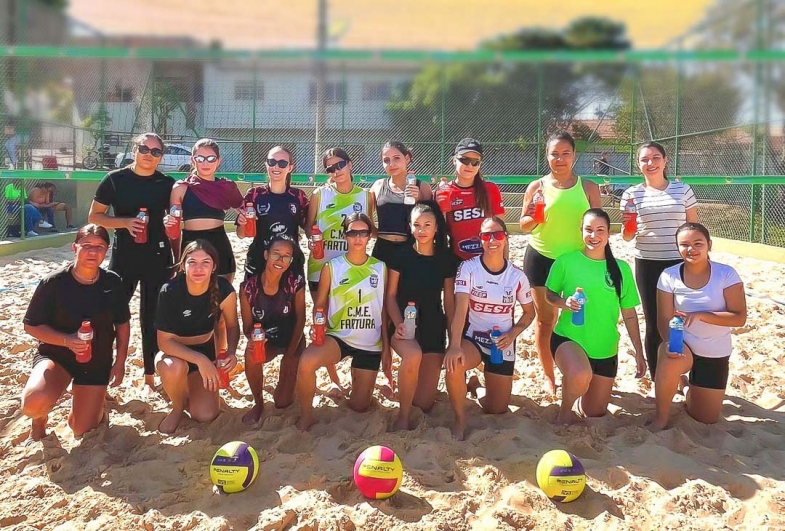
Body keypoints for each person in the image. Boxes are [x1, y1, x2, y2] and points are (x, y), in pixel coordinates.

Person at [21, 225, 130, 440]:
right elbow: (31, 325)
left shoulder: (112, 282)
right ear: (75, 247)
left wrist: (120, 361)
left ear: (106, 251)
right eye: (86, 246)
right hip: (57, 354)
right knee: (33, 403)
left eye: (99, 247)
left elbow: (123, 324)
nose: (92, 252)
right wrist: (67, 340)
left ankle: (93, 407)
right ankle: (40, 418)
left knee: (82, 429)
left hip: (96, 359)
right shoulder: (54, 282)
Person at [88, 132, 175, 394]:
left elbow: (176, 220)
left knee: (152, 318)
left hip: (158, 257)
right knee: (110, 314)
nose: (149, 155)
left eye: (155, 151)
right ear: (133, 150)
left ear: (161, 156)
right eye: (144, 149)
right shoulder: (115, 179)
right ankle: (101, 372)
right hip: (124, 256)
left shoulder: (167, 183)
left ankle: (149, 377)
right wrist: (124, 222)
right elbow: (95, 216)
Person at [519, 130, 602, 396]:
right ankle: (548, 376)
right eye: (554, 154)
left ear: (574, 155)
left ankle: (580, 372)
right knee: (545, 321)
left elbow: (599, 227)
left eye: (566, 153)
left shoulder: (588, 188)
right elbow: (524, 225)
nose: (560, 159)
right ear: (547, 156)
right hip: (541, 258)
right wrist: (535, 218)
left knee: (580, 318)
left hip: (576, 262)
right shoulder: (537, 187)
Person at [545, 209, 646, 425]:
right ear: (581, 231)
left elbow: (629, 314)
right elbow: (549, 295)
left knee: (594, 411)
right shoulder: (566, 261)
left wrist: (639, 351)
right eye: (589, 230)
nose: (594, 236)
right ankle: (565, 411)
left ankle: (581, 395)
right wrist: (565, 302)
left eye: (600, 230)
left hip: (605, 348)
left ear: (609, 234)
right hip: (569, 338)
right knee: (580, 374)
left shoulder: (621, 269)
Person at [444, 217, 536, 440]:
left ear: (506, 237)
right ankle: (460, 418)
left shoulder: (517, 276)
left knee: (496, 408)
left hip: (502, 343)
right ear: (480, 240)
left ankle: (476, 387)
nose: (492, 240)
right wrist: (454, 345)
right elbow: (460, 310)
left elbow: (529, 312)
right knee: (454, 364)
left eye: (498, 234)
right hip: (474, 338)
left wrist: (512, 333)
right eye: (486, 235)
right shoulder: (468, 268)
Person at [296, 213, 387, 431]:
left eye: (363, 233)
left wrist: (387, 348)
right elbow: (320, 304)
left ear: (369, 236)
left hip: (369, 343)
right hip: (339, 337)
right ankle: (307, 416)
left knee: (359, 407)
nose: (358, 238)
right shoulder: (332, 267)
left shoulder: (380, 267)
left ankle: (356, 377)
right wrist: (316, 324)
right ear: (345, 236)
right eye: (353, 233)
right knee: (306, 362)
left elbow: (384, 311)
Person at [651, 223, 746, 430]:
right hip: (684, 344)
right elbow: (663, 318)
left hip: (714, 351)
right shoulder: (669, 275)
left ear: (709, 245)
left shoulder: (726, 274)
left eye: (697, 243)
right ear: (677, 247)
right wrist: (669, 342)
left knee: (706, 418)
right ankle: (661, 418)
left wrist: (703, 315)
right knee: (668, 356)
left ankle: (685, 386)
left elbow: (739, 318)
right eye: (684, 244)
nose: (691, 249)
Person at [621, 141, 698, 378]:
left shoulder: (682, 190)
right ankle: (658, 377)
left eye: (655, 157)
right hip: (648, 261)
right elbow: (627, 236)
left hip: (679, 262)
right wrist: (629, 224)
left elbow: (694, 228)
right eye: (644, 159)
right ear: (638, 165)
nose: (650, 163)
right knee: (654, 320)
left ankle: (685, 373)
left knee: (684, 317)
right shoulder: (631, 195)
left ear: (665, 161)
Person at [304, 147, 374, 395]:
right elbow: (309, 226)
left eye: (340, 165)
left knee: (350, 320)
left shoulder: (366, 197)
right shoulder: (319, 195)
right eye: (330, 168)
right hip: (321, 267)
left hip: (353, 269)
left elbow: (371, 230)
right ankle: (334, 378)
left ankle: (359, 371)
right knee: (324, 320)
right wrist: (312, 240)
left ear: (350, 163)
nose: (336, 171)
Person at [154, 240, 240, 434]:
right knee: (174, 367)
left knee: (205, 414)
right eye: (192, 262)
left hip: (205, 349)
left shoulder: (224, 289)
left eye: (205, 262)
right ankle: (177, 406)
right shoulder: (170, 291)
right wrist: (201, 360)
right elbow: (164, 342)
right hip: (174, 352)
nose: (198, 268)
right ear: (183, 265)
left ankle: (190, 388)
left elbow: (233, 326)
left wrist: (231, 353)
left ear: (214, 266)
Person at [386, 201, 455, 431]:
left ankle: (408, 388)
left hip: (433, 327)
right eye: (417, 225)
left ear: (436, 227)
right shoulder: (401, 255)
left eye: (427, 224)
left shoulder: (445, 258)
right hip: (404, 324)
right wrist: (398, 325)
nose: (422, 230)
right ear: (410, 227)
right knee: (413, 355)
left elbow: (449, 301)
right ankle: (403, 416)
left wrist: (453, 337)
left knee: (424, 402)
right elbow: (390, 296)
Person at [239, 235, 306, 423]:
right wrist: (254, 339)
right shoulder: (248, 288)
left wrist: (290, 355)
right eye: (276, 254)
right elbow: (246, 327)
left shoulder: (295, 282)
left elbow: (301, 319)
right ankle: (258, 402)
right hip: (266, 340)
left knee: (282, 402)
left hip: (292, 338)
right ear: (266, 254)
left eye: (287, 256)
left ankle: (289, 379)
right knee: (250, 354)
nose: (281, 260)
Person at [165, 138, 243, 278]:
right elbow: (173, 229)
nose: (205, 163)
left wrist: (245, 218)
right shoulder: (181, 187)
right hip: (191, 244)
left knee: (221, 296)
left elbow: (246, 212)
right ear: (192, 160)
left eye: (211, 158)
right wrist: (177, 258)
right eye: (200, 158)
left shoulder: (227, 187)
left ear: (218, 161)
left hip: (220, 245)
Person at [236, 146, 309, 280]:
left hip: (289, 262)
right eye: (272, 162)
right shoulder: (254, 195)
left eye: (282, 163)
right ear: (266, 165)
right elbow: (241, 234)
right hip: (258, 260)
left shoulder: (298, 196)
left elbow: (310, 228)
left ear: (290, 168)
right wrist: (242, 223)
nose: (276, 167)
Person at [435, 138, 504, 263]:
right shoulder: (444, 191)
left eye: (475, 162)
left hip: (488, 259)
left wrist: (504, 265)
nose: (469, 166)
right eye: (465, 160)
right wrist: (440, 209)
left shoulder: (490, 189)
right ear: (454, 161)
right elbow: (440, 232)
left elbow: (502, 233)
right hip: (457, 259)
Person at [370, 141, 433, 265]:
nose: (391, 164)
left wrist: (419, 199)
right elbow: (366, 218)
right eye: (386, 160)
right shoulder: (378, 186)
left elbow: (432, 222)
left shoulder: (422, 187)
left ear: (407, 158)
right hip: (383, 249)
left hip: (410, 249)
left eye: (396, 158)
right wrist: (379, 234)